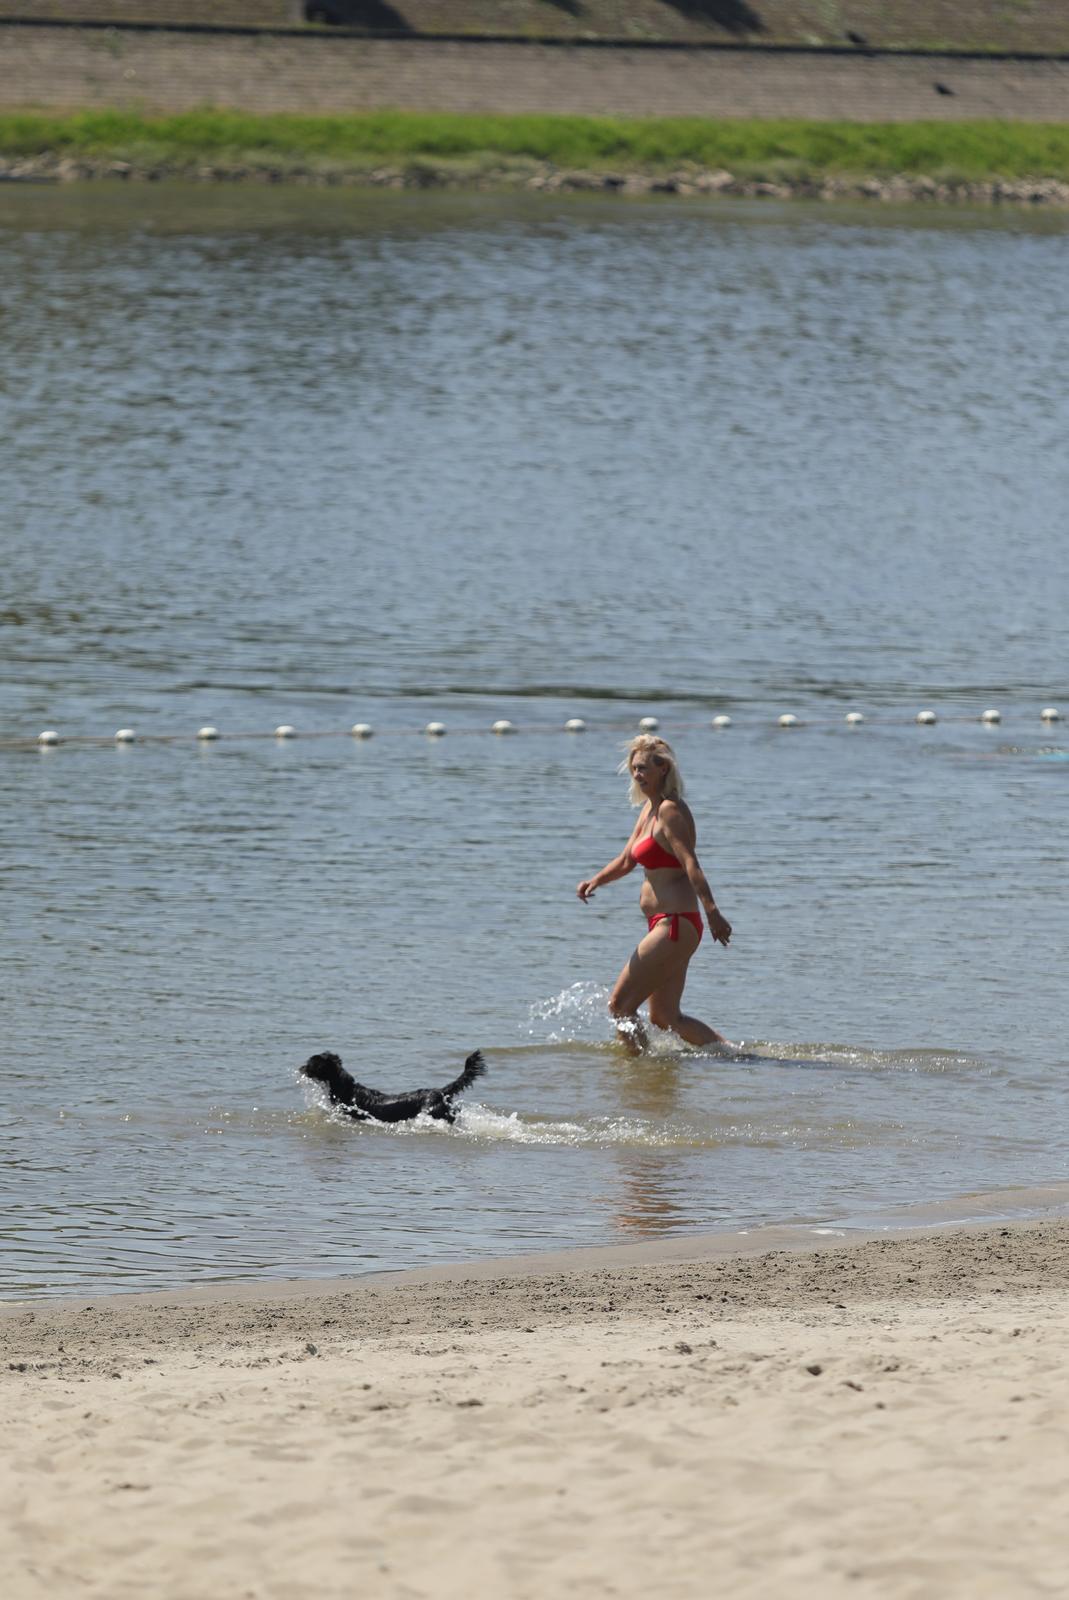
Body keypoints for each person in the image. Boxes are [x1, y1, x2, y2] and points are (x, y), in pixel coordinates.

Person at [576, 735, 732, 1050]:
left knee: (619, 1006)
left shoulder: (670, 812)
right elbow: (625, 861)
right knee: (665, 1017)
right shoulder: (649, 809)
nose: (637, 775)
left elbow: (691, 864)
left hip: (674, 924)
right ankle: (733, 1056)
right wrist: (595, 880)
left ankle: (640, 1072)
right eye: (634, 768)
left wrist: (713, 912)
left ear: (663, 769)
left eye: (644, 768)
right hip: (667, 923)